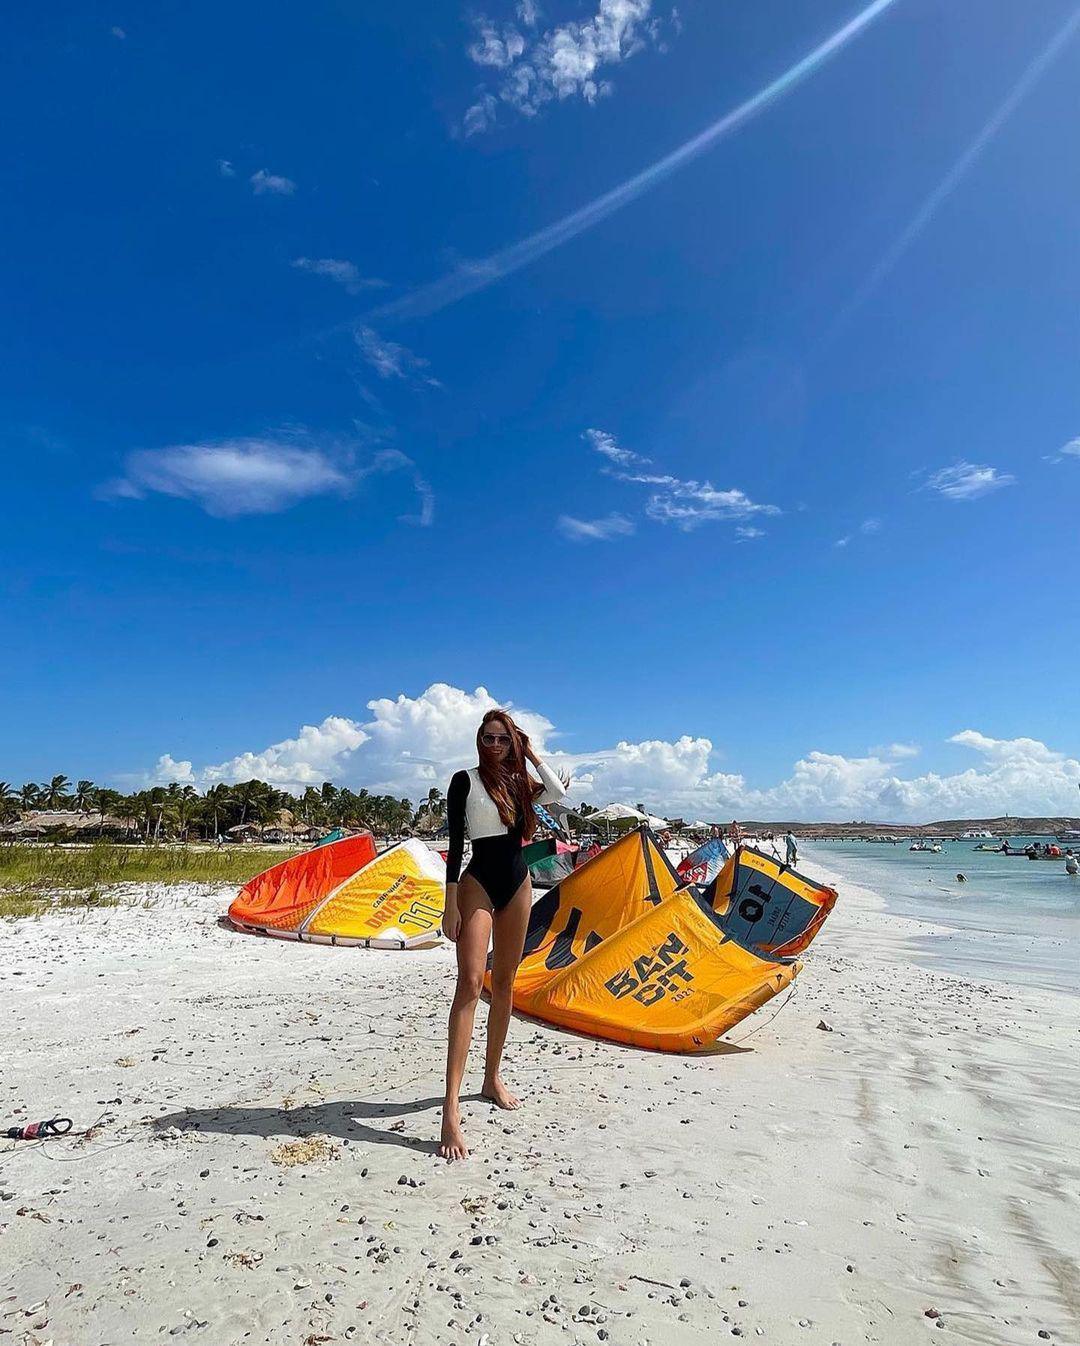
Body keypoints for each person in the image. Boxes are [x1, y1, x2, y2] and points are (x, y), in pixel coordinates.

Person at [439, 708, 568, 1161]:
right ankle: (450, 1110)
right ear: (479, 740)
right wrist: (449, 902)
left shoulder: (518, 782)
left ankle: (491, 1077)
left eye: (502, 739)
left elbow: (559, 794)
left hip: (518, 884)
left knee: (507, 982)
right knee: (471, 983)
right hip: (476, 882)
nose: (494, 746)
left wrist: (530, 752)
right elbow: (456, 845)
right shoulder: (464, 781)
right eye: (488, 738)